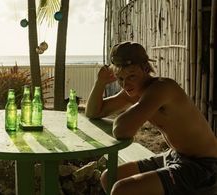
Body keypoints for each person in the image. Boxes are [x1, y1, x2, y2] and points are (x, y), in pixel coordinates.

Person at [85, 41, 217, 195]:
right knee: (109, 177)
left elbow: (122, 130)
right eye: (120, 78)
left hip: (202, 166)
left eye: (131, 76)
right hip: (175, 155)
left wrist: (134, 109)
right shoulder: (133, 91)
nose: (126, 84)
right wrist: (100, 83)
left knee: (121, 190)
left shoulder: (162, 88)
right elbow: (93, 112)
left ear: (145, 69)